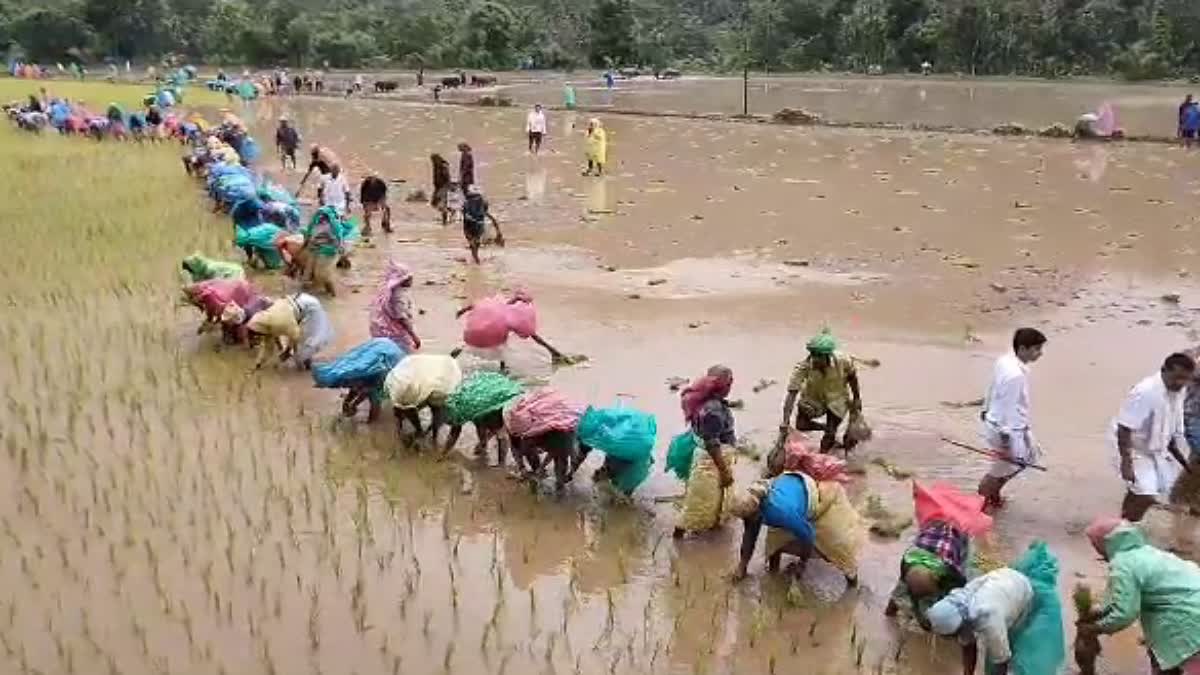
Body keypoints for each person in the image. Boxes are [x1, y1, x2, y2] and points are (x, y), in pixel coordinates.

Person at [730, 437, 864, 584]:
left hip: (813, 494)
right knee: (774, 543)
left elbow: (809, 535)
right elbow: (749, 536)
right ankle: (773, 575)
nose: (746, 522)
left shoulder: (781, 512)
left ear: (756, 511)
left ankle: (853, 584)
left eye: (747, 518)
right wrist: (742, 566)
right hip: (790, 485)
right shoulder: (754, 501)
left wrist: (802, 564)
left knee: (835, 545)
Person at [1076, 518, 1200, 675]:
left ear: (1105, 543)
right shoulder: (1150, 552)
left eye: (1095, 544)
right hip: (1193, 607)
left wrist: (1096, 628)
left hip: (1187, 622)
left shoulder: (1123, 563)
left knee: (1171, 661)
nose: (1095, 549)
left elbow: (1124, 613)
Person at [926, 541, 1065, 675]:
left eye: (950, 637)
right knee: (996, 647)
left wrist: (1000, 660)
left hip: (1023, 591)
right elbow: (968, 646)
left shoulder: (989, 619)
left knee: (1018, 653)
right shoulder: (957, 608)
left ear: (958, 627)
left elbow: (1001, 661)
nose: (952, 640)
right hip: (1001, 580)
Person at [885, 483, 993, 626]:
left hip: (956, 533)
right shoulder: (907, 561)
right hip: (932, 530)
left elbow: (961, 587)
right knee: (901, 590)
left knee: (958, 579)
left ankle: (927, 600)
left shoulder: (950, 569)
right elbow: (903, 587)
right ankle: (890, 611)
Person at [1112, 352, 1196, 522]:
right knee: (1146, 493)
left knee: (1145, 489)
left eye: (1185, 379)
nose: (1180, 383)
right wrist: (1126, 462)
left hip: (1154, 446)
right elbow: (1124, 427)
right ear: (1164, 371)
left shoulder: (1177, 391)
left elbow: (1169, 426)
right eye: (1177, 378)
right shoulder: (1146, 392)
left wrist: (1180, 458)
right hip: (1130, 445)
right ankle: (1126, 525)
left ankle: (1124, 524)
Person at [978, 328, 1047, 510]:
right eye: (1037, 349)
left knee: (1021, 461)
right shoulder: (1015, 375)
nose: (1040, 353)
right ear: (1023, 349)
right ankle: (981, 503)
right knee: (1002, 469)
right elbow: (1007, 410)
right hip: (1006, 430)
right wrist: (1007, 442)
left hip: (999, 423)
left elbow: (992, 387)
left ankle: (993, 496)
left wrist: (985, 409)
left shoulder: (1005, 360)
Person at [672, 365, 737, 538]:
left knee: (707, 500)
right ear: (723, 386)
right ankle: (680, 538)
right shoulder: (713, 411)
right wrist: (724, 471)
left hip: (708, 459)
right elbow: (712, 443)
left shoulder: (704, 402)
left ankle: (710, 530)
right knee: (698, 505)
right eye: (730, 382)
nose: (732, 385)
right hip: (713, 461)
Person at [779, 330, 863, 453]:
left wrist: (856, 398)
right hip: (814, 399)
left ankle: (822, 455)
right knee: (801, 425)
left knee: (830, 436)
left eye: (819, 357)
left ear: (827, 356)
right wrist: (785, 422)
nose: (816, 360)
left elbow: (852, 377)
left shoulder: (843, 360)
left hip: (837, 400)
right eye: (814, 355)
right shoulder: (803, 367)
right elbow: (791, 394)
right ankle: (826, 428)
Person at [452, 290, 566, 367]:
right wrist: (554, 352)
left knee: (468, 346)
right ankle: (503, 371)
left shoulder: (493, 303)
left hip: (471, 336)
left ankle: (451, 358)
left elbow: (472, 305)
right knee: (502, 352)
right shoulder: (516, 315)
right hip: (491, 339)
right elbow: (534, 336)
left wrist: (461, 311)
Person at [504, 387, 587, 492]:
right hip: (537, 426)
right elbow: (515, 446)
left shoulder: (563, 429)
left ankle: (559, 486)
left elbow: (556, 451)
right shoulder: (520, 424)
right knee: (536, 453)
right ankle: (540, 473)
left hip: (560, 431)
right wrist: (523, 468)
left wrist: (542, 466)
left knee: (561, 461)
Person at [312, 338, 406, 423]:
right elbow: (356, 390)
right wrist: (349, 405)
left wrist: (370, 425)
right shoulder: (353, 373)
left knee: (377, 395)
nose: (348, 385)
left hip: (391, 356)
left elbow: (374, 404)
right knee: (361, 388)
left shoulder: (377, 375)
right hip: (379, 346)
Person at [442, 371, 525, 467]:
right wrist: (444, 453)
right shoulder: (457, 411)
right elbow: (454, 434)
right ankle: (483, 445)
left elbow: (502, 437)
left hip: (492, 401)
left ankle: (502, 463)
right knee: (481, 424)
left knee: (500, 433)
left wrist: (444, 453)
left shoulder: (490, 413)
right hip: (478, 402)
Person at [385, 354, 463, 450]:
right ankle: (423, 432)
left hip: (439, 378)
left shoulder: (444, 385)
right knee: (405, 410)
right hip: (421, 376)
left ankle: (432, 435)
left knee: (437, 409)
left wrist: (422, 431)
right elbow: (400, 409)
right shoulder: (395, 383)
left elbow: (452, 422)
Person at [369, 259, 420, 351]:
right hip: (395, 334)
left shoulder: (390, 292)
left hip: (384, 332)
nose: (412, 280)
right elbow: (402, 318)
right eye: (409, 277)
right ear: (402, 279)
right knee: (402, 357)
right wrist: (414, 336)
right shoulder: (399, 296)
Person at [301, 206, 347, 296]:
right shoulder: (315, 224)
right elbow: (309, 236)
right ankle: (324, 293)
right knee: (309, 274)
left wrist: (339, 249)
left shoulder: (332, 226)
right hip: (315, 248)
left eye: (324, 216)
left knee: (323, 275)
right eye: (321, 216)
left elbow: (338, 240)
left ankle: (333, 294)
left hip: (327, 250)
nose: (322, 217)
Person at [461, 185, 504, 264]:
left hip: (478, 227)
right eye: (473, 197)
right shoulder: (467, 204)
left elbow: (489, 216)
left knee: (476, 244)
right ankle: (477, 262)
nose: (475, 199)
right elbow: (466, 215)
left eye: (477, 197)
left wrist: (498, 232)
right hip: (469, 227)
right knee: (474, 244)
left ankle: (477, 261)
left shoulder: (482, 203)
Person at [430, 153, 453, 225]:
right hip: (438, 186)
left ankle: (445, 221)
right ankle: (450, 211)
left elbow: (447, 177)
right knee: (434, 202)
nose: (432, 162)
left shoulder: (443, 166)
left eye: (433, 160)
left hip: (443, 187)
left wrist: (448, 186)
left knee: (441, 204)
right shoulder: (436, 166)